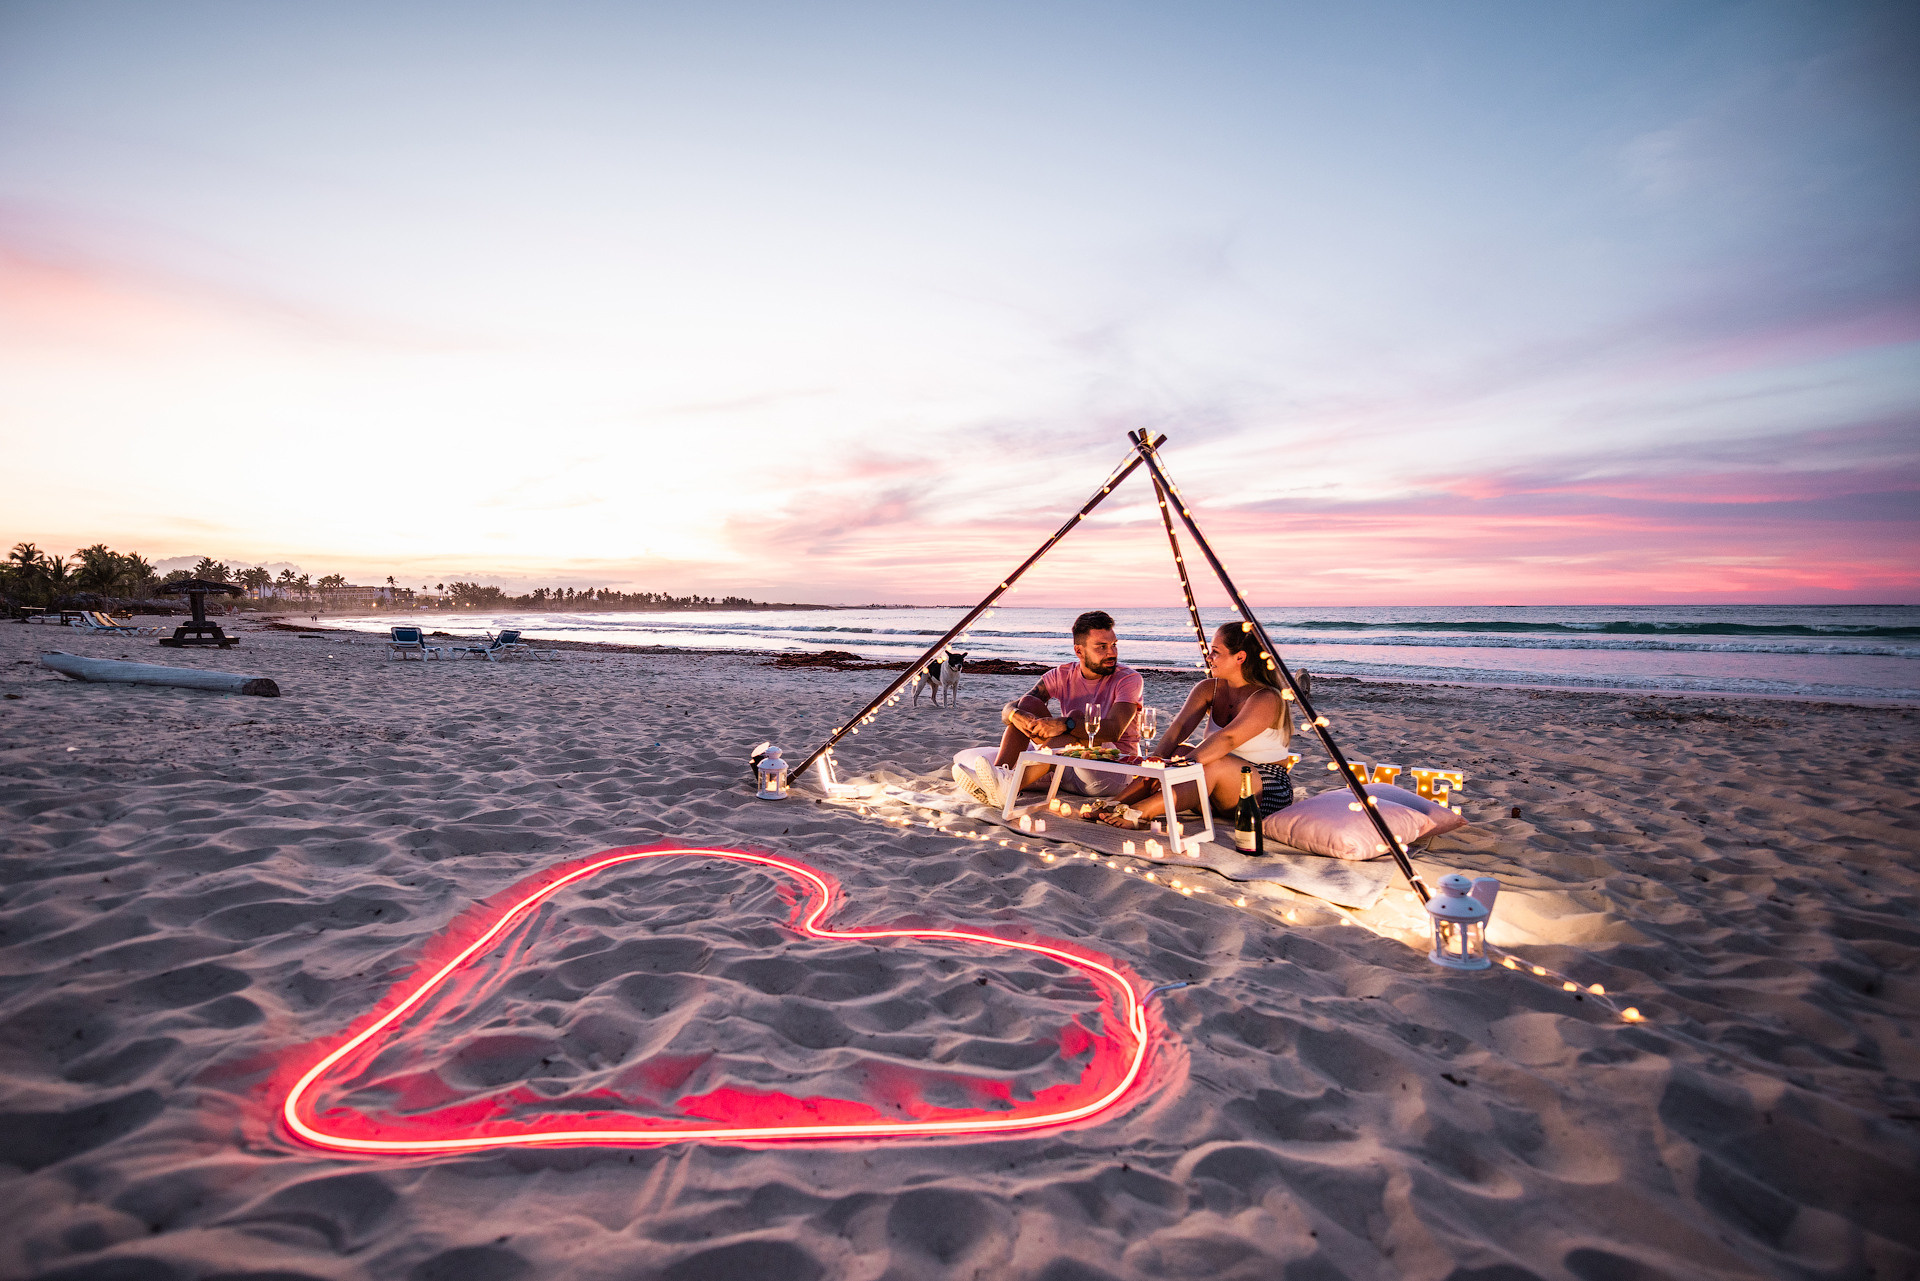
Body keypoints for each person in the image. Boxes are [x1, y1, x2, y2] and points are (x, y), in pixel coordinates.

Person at [1098, 622, 1294, 828]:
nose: (1209, 657)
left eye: (1216, 652)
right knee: (1177, 751)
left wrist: (1180, 767)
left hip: (1263, 790)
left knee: (1210, 762)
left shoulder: (1267, 698)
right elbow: (1179, 728)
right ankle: (1116, 803)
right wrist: (1158, 762)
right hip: (1214, 791)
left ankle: (1142, 812)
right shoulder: (1209, 688)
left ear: (1240, 657)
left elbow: (1227, 739)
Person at [993, 610, 1143, 798]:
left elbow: (1114, 730)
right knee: (1027, 704)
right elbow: (1010, 710)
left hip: (1112, 771)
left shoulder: (1128, 679)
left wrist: (1065, 724)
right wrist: (1015, 715)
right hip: (1068, 762)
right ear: (1079, 651)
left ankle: (1009, 786)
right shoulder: (1062, 675)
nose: (1111, 652)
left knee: (1076, 716)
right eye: (1101, 647)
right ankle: (997, 775)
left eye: (1114, 645)